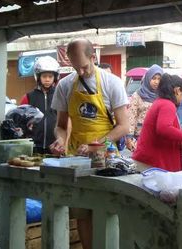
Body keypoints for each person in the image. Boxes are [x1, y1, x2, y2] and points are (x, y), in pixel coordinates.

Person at [50, 38, 129, 249]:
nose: (81, 72)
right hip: (76, 159)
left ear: (94, 57)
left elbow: (123, 127)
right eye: (75, 68)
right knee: (82, 213)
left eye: (84, 67)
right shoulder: (65, 85)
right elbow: (60, 125)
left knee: (109, 210)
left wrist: (97, 143)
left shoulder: (112, 83)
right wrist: (60, 140)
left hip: (106, 160)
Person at [132, 74, 182, 172]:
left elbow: (175, 136)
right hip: (154, 160)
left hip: (151, 159)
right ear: (177, 91)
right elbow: (164, 128)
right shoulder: (167, 104)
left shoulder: (161, 102)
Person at [20, 56, 59, 154]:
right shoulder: (29, 97)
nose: (47, 79)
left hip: (55, 145)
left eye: (50, 76)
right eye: (44, 76)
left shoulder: (59, 96)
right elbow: (21, 120)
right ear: (38, 77)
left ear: (55, 77)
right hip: (33, 145)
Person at [126, 64, 163, 151]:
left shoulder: (163, 95)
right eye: (153, 78)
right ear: (148, 78)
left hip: (158, 137)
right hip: (141, 136)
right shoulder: (138, 95)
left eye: (159, 79)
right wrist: (129, 137)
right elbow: (131, 117)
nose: (156, 82)